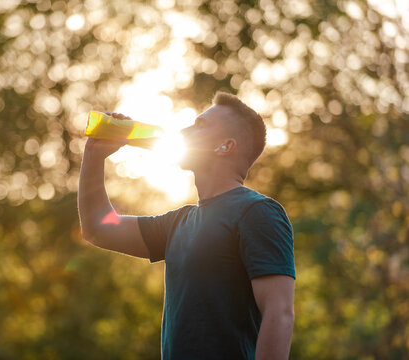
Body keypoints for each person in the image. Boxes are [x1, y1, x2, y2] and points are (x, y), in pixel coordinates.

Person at [77, 91, 295, 360]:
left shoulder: (257, 212)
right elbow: (98, 229)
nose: (184, 129)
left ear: (225, 146)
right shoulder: (177, 223)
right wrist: (94, 155)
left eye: (200, 125)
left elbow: (280, 312)